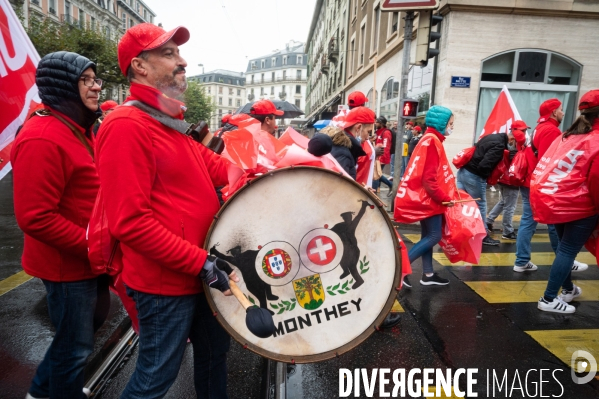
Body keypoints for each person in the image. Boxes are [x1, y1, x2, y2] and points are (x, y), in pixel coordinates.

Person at [96, 23, 238, 398]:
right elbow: (130, 222)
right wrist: (199, 262)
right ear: (140, 66)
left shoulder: (169, 121)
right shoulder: (126, 125)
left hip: (201, 272)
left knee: (214, 357)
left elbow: (216, 169)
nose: (182, 61)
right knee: (157, 374)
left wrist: (263, 176)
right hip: (167, 283)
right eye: (169, 54)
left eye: (179, 53)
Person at [11, 51, 109, 399]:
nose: (96, 87)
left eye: (96, 79)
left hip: (88, 258)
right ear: (62, 85)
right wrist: (93, 244)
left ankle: (39, 391)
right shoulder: (43, 136)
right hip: (67, 266)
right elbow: (35, 216)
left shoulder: (78, 127)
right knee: (76, 345)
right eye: (86, 80)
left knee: (78, 335)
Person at [531, 90, 599, 313]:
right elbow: (596, 179)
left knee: (563, 249)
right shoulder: (596, 139)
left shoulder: (569, 135)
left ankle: (567, 289)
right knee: (568, 250)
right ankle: (549, 299)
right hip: (581, 205)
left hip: (556, 200)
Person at [514, 98, 589, 273]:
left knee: (529, 221)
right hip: (542, 184)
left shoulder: (540, 128)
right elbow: (549, 162)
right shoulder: (550, 130)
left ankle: (522, 260)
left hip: (532, 181)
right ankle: (565, 260)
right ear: (554, 112)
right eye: (561, 109)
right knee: (553, 222)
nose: (563, 113)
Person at [397, 105, 456, 287]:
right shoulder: (432, 141)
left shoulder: (428, 139)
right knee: (434, 236)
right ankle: (400, 270)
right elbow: (429, 179)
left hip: (428, 198)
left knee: (428, 235)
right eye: (450, 123)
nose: (452, 127)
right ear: (441, 123)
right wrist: (443, 198)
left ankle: (428, 274)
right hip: (430, 199)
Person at [457, 128, 512, 246]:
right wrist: (486, 178)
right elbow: (484, 165)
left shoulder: (492, 136)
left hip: (462, 172)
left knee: (461, 203)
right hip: (474, 176)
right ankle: (484, 235)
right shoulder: (500, 146)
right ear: (512, 139)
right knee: (480, 205)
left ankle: (456, 231)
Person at [486, 121, 527, 239]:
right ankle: (507, 231)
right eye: (523, 130)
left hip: (502, 178)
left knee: (503, 202)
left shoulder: (506, 143)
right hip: (511, 180)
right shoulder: (516, 145)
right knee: (510, 206)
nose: (525, 132)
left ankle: (489, 221)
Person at [324, 106, 371, 179]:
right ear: (358, 128)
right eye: (369, 132)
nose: (368, 137)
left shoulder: (342, 147)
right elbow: (338, 185)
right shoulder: (343, 152)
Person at [375, 116, 394, 196]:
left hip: (381, 157)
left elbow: (386, 147)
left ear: (381, 123)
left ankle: (391, 185)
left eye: (377, 122)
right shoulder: (378, 131)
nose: (375, 124)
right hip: (377, 156)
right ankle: (376, 189)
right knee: (377, 174)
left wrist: (382, 158)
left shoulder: (386, 132)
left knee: (377, 174)